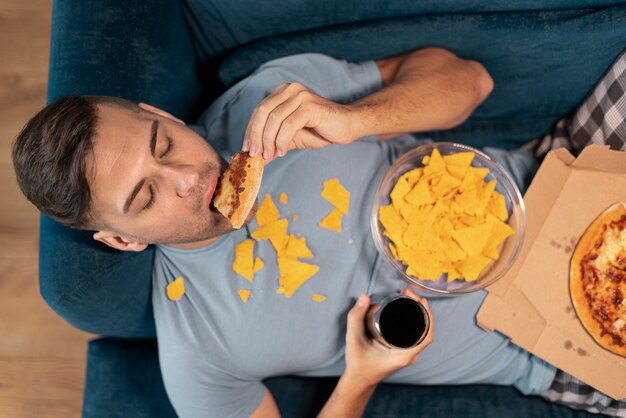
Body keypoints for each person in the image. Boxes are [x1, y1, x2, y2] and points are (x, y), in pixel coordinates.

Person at [12, 47, 625, 418]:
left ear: (164, 116)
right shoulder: (197, 352)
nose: (188, 178)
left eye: (164, 143)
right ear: (124, 241)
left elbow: (470, 80)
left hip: (562, 175)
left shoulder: (267, 100)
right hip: (559, 348)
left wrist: (356, 119)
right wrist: (361, 377)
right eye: (145, 197)